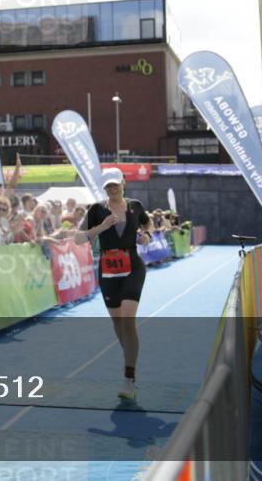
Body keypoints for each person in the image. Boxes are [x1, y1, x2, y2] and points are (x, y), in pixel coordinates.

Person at [76, 167, 153, 401]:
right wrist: (101, 227)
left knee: (128, 321)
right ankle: (131, 355)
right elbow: (78, 238)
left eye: (115, 185)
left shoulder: (135, 205)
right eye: (108, 186)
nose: (112, 189)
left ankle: (129, 378)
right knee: (118, 323)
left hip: (133, 266)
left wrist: (146, 234)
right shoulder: (97, 209)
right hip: (108, 269)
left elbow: (147, 223)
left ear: (123, 184)